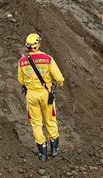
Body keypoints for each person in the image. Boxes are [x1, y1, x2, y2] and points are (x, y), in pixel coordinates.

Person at [17, 33, 64, 161]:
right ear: (39, 44)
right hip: (46, 94)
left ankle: (42, 152)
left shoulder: (22, 62)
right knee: (50, 120)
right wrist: (58, 84)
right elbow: (59, 78)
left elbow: (20, 81)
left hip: (31, 95)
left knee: (36, 123)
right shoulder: (48, 59)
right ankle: (54, 149)